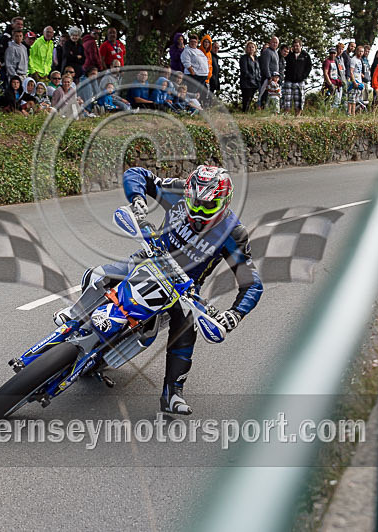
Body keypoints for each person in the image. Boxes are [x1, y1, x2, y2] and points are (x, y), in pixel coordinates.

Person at [89, 165, 263, 414]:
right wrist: (137, 198)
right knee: (100, 275)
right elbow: (136, 173)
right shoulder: (178, 190)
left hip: (182, 287)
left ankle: (172, 392)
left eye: (208, 207)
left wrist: (235, 313)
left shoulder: (233, 232)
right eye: (195, 204)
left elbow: (252, 283)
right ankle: (73, 318)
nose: (199, 212)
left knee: (187, 325)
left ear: (224, 203)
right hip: (149, 258)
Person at [282, 39, 312, 116]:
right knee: (287, 100)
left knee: (299, 101)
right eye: (294, 46)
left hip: (300, 81)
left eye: (297, 46)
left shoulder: (305, 55)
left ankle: (297, 117)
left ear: (301, 46)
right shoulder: (289, 55)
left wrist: (303, 77)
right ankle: (286, 116)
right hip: (289, 81)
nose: (295, 47)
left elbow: (309, 67)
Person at [258, 36, 280, 109]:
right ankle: (261, 108)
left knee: (272, 95)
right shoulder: (267, 52)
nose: (275, 44)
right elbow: (265, 66)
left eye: (276, 43)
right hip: (267, 78)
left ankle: (269, 110)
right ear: (270, 43)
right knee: (264, 94)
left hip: (274, 78)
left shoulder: (276, 52)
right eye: (273, 42)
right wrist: (269, 77)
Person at [239, 40, 260, 112]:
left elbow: (258, 70)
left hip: (255, 82)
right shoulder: (244, 58)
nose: (251, 48)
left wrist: (258, 78)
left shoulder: (256, 58)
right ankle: (244, 112)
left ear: (255, 48)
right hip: (246, 82)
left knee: (251, 99)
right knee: (246, 99)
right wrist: (251, 78)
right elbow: (244, 70)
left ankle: (247, 112)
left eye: (252, 47)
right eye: (249, 47)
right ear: (246, 48)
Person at [347, 45, 364, 115]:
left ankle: (353, 113)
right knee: (352, 99)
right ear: (356, 51)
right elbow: (351, 71)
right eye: (359, 51)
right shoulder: (353, 59)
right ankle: (350, 113)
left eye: (362, 51)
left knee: (356, 98)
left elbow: (359, 71)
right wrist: (353, 81)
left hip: (359, 81)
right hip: (354, 81)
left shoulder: (360, 60)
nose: (361, 53)